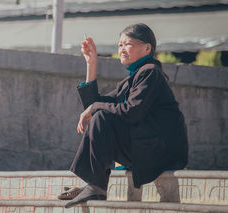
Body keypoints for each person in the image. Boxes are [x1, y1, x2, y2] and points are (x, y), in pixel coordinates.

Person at [63, 23, 188, 208]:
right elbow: (96, 103)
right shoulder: (133, 77)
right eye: (120, 45)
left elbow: (131, 112)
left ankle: (95, 186)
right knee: (100, 116)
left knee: (101, 117)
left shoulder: (150, 73)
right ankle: (94, 184)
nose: (122, 49)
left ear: (147, 48)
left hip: (162, 151)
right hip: (145, 145)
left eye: (127, 44)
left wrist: (95, 108)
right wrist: (91, 63)